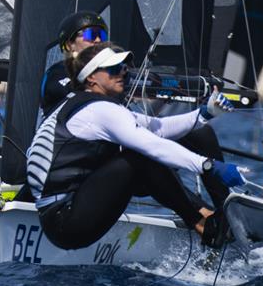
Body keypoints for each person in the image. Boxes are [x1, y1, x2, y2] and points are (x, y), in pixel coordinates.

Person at [27, 42, 244, 251]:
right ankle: (202, 223)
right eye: (113, 68)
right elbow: (152, 145)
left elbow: (158, 128)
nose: (123, 72)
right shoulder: (99, 110)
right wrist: (207, 165)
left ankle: (213, 216)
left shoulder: (92, 104)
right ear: (91, 77)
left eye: (123, 67)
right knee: (139, 157)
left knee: (160, 147)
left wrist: (205, 113)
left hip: (67, 211)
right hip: (65, 222)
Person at [42, 11, 231, 213]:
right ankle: (204, 219)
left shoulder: (111, 75)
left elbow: (152, 101)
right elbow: (76, 95)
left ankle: (226, 210)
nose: (98, 40)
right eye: (90, 35)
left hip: (119, 158)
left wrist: (203, 98)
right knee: (146, 154)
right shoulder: (57, 75)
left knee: (202, 133)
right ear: (69, 45)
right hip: (86, 170)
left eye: (102, 35)